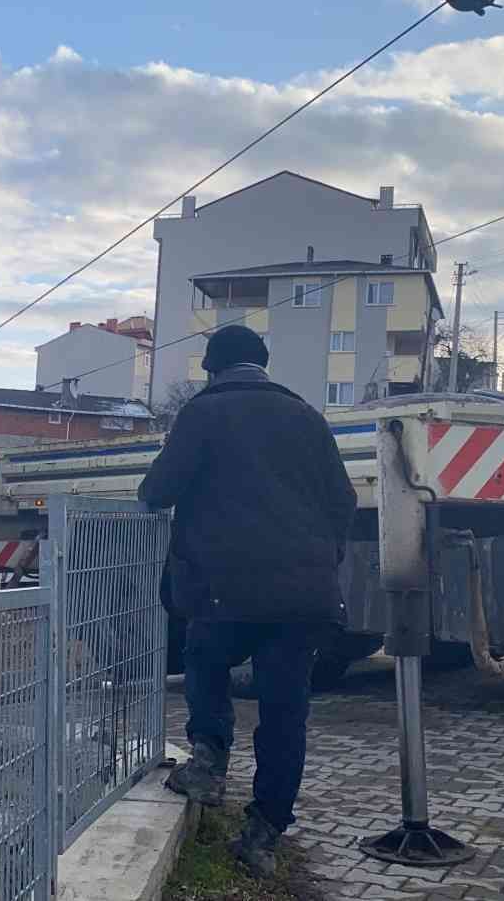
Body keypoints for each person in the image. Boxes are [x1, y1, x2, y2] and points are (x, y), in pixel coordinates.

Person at [139, 324, 356, 878]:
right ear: (264, 364)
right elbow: (344, 501)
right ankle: (262, 835)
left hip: (224, 587)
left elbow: (156, 491)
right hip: (304, 598)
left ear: (212, 368)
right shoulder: (308, 416)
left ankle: (209, 763)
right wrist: (321, 561)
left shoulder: (204, 413)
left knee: (205, 659)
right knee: (286, 713)